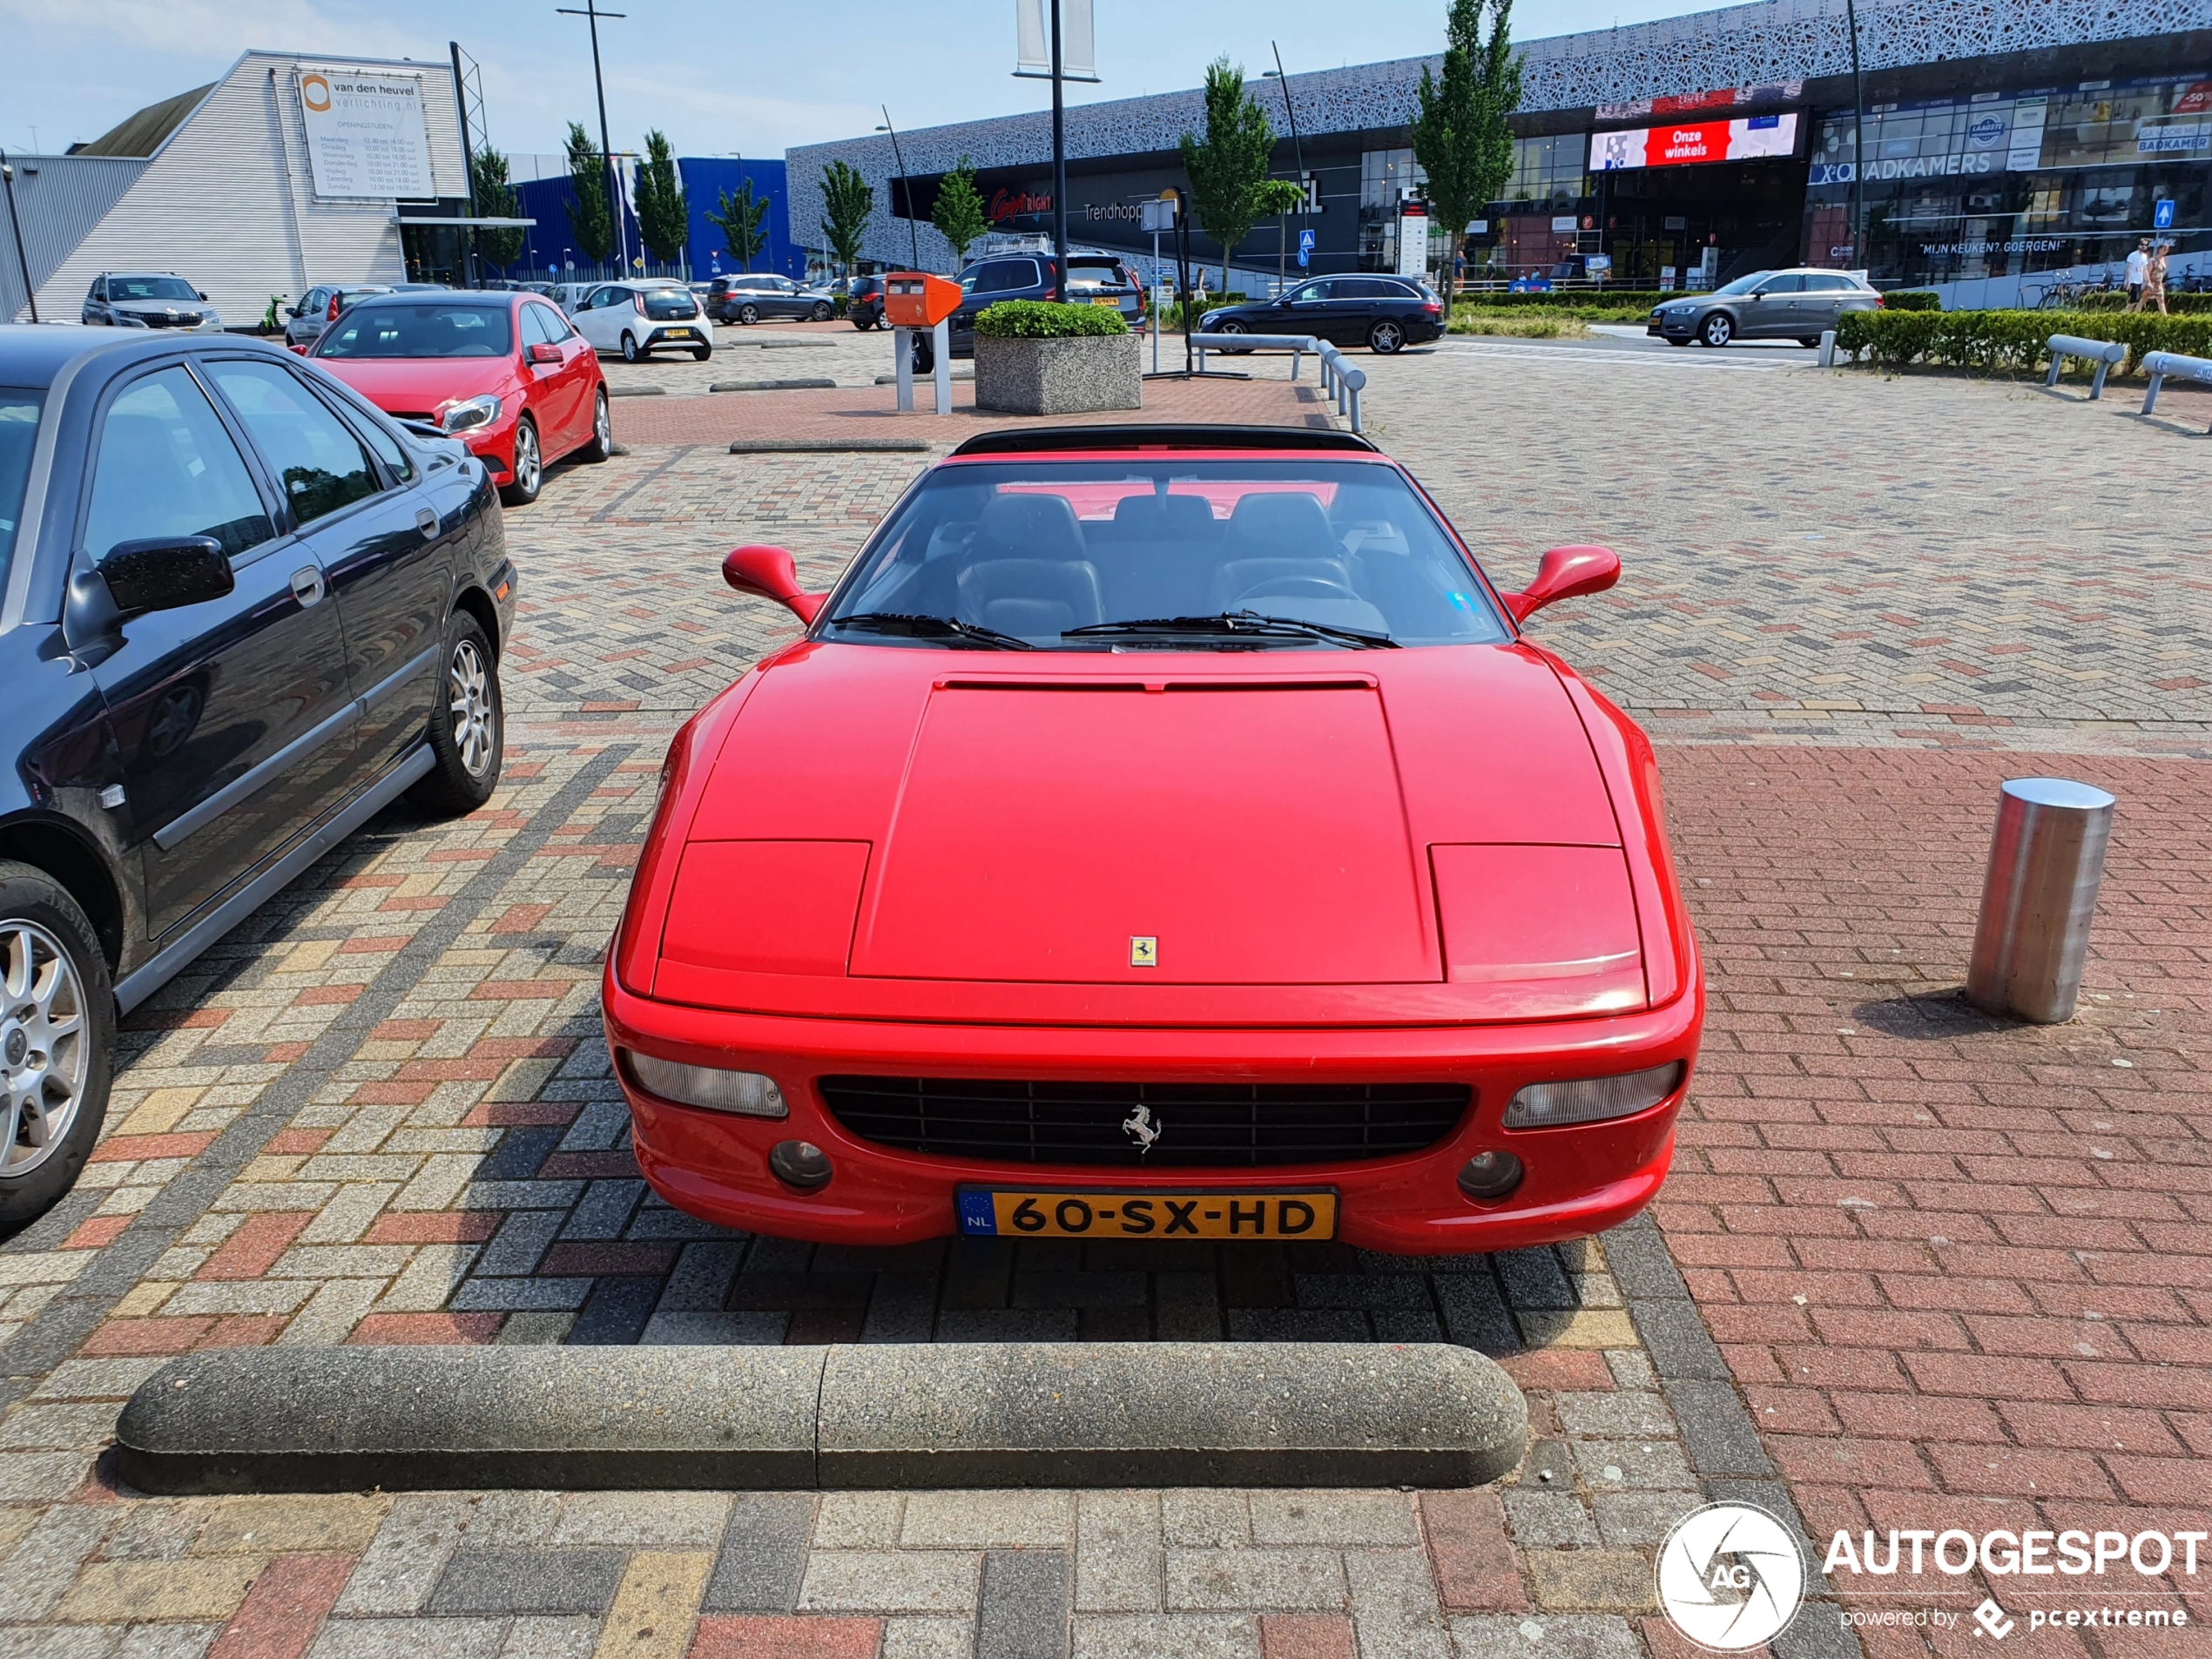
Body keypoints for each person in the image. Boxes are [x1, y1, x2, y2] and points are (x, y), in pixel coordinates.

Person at [2146, 242, 2170, 315]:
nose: (2165, 251)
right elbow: (2148, 272)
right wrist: (2148, 283)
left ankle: (2165, 317)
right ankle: (2134, 314)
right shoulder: (2153, 260)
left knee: (2161, 301)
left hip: (2159, 284)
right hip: (2152, 283)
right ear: (2159, 249)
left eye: (2167, 250)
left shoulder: (2164, 260)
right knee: (2144, 300)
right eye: (2164, 249)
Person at [2125, 239, 2150, 309]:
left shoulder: (2144, 256)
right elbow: (2128, 269)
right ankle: (2125, 314)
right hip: (2133, 281)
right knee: (2133, 300)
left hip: (2140, 281)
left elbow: (2145, 269)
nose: (2144, 246)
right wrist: (2128, 282)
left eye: (2146, 245)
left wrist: (2148, 281)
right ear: (2139, 245)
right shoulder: (2132, 255)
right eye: (2142, 244)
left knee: (2137, 300)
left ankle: (2128, 314)